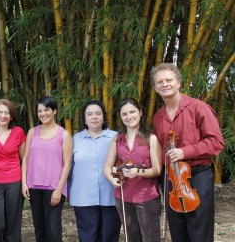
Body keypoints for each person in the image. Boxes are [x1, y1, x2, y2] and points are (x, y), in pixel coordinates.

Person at [150, 63, 224, 242]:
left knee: (200, 232)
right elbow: (160, 153)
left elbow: (216, 142)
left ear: (179, 83)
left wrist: (185, 151)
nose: (165, 84)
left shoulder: (199, 108)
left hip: (197, 177)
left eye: (169, 80)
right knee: (178, 232)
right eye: (160, 82)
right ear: (155, 87)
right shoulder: (158, 117)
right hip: (171, 181)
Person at [103, 97, 162, 242]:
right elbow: (107, 167)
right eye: (124, 114)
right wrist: (112, 179)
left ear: (140, 112)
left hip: (146, 197)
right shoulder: (117, 140)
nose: (129, 117)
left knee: (151, 238)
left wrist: (138, 172)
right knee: (131, 238)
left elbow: (157, 169)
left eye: (132, 112)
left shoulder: (151, 138)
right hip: (123, 196)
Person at [68, 100, 121, 242]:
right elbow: (68, 167)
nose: (94, 117)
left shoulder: (116, 137)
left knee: (109, 236)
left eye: (98, 113)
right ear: (84, 119)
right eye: (90, 114)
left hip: (111, 196)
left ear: (103, 116)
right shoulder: (75, 139)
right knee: (87, 237)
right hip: (83, 197)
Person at [21, 96, 73, 242]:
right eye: (40, 111)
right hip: (34, 186)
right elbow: (25, 159)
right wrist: (24, 183)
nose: (43, 113)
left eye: (46, 110)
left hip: (53, 187)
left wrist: (59, 189)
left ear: (54, 111)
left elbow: (67, 164)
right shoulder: (32, 132)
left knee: (53, 227)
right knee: (39, 227)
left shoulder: (64, 134)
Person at [0, 99, 26, 242]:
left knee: (13, 224)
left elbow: (24, 159)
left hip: (14, 181)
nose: (3, 116)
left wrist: (25, 183)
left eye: (6, 113)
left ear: (11, 116)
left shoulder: (18, 132)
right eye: (0, 112)